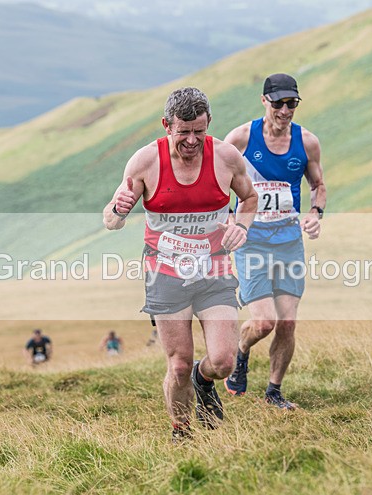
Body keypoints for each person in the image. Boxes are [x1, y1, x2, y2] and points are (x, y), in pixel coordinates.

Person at [104, 86, 257, 440]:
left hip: (214, 268)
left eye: (199, 132)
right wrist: (118, 209)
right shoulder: (144, 162)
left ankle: (205, 383)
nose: (191, 141)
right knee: (179, 364)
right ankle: (182, 431)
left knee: (223, 361)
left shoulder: (226, 158)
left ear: (209, 125)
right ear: (166, 125)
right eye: (183, 132)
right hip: (165, 273)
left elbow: (249, 199)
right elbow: (110, 220)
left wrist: (242, 228)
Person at [223, 73, 327, 410]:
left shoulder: (307, 142)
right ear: (264, 101)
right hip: (251, 241)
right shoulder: (240, 138)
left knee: (287, 322)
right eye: (279, 103)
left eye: (292, 103)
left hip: (289, 240)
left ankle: (273, 391)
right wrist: (229, 219)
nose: (286, 110)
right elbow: (219, 181)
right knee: (264, 322)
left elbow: (318, 185)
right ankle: (241, 351)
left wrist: (315, 212)